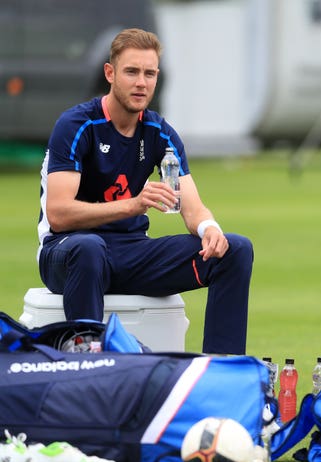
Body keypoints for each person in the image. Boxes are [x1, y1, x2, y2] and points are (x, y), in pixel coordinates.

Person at [36, 28, 253, 355]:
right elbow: (59, 214)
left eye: (149, 73)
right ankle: (88, 371)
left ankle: (220, 373)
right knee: (90, 248)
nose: (141, 82)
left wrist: (210, 229)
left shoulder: (159, 132)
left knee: (234, 250)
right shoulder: (76, 125)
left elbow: (192, 207)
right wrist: (132, 205)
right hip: (68, 252)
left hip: (131, 253)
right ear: (110, 73)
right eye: (132, 72)